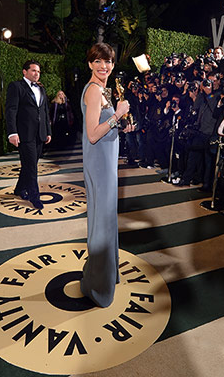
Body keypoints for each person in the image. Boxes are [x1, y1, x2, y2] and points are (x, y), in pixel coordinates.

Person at [79, 43, 130, 308]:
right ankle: (98, 287)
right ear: (90, 64)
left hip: (106, 164)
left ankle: (105, 277)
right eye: (98, 61)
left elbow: (105, 127)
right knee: (101, 222)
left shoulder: (103, 90)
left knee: (106, 220)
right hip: (100, 165)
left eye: (108, 61)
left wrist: (120, 123)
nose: (104, 66)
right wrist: (117, 115)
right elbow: (92, 134)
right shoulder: (94, 90)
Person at [5, 60, 52, 209]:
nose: (36, 74)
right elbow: (11, 110)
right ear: (24, 72)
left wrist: (48, 131)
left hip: (40, 134)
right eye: (33, 71)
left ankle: (19, 189)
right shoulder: (16, 87)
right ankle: (34, 197)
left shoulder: (41, 89)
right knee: (32, 167)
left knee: (29, 165)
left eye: (38, 71)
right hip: (25, 134)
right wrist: (12, 132)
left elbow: (45, 112)